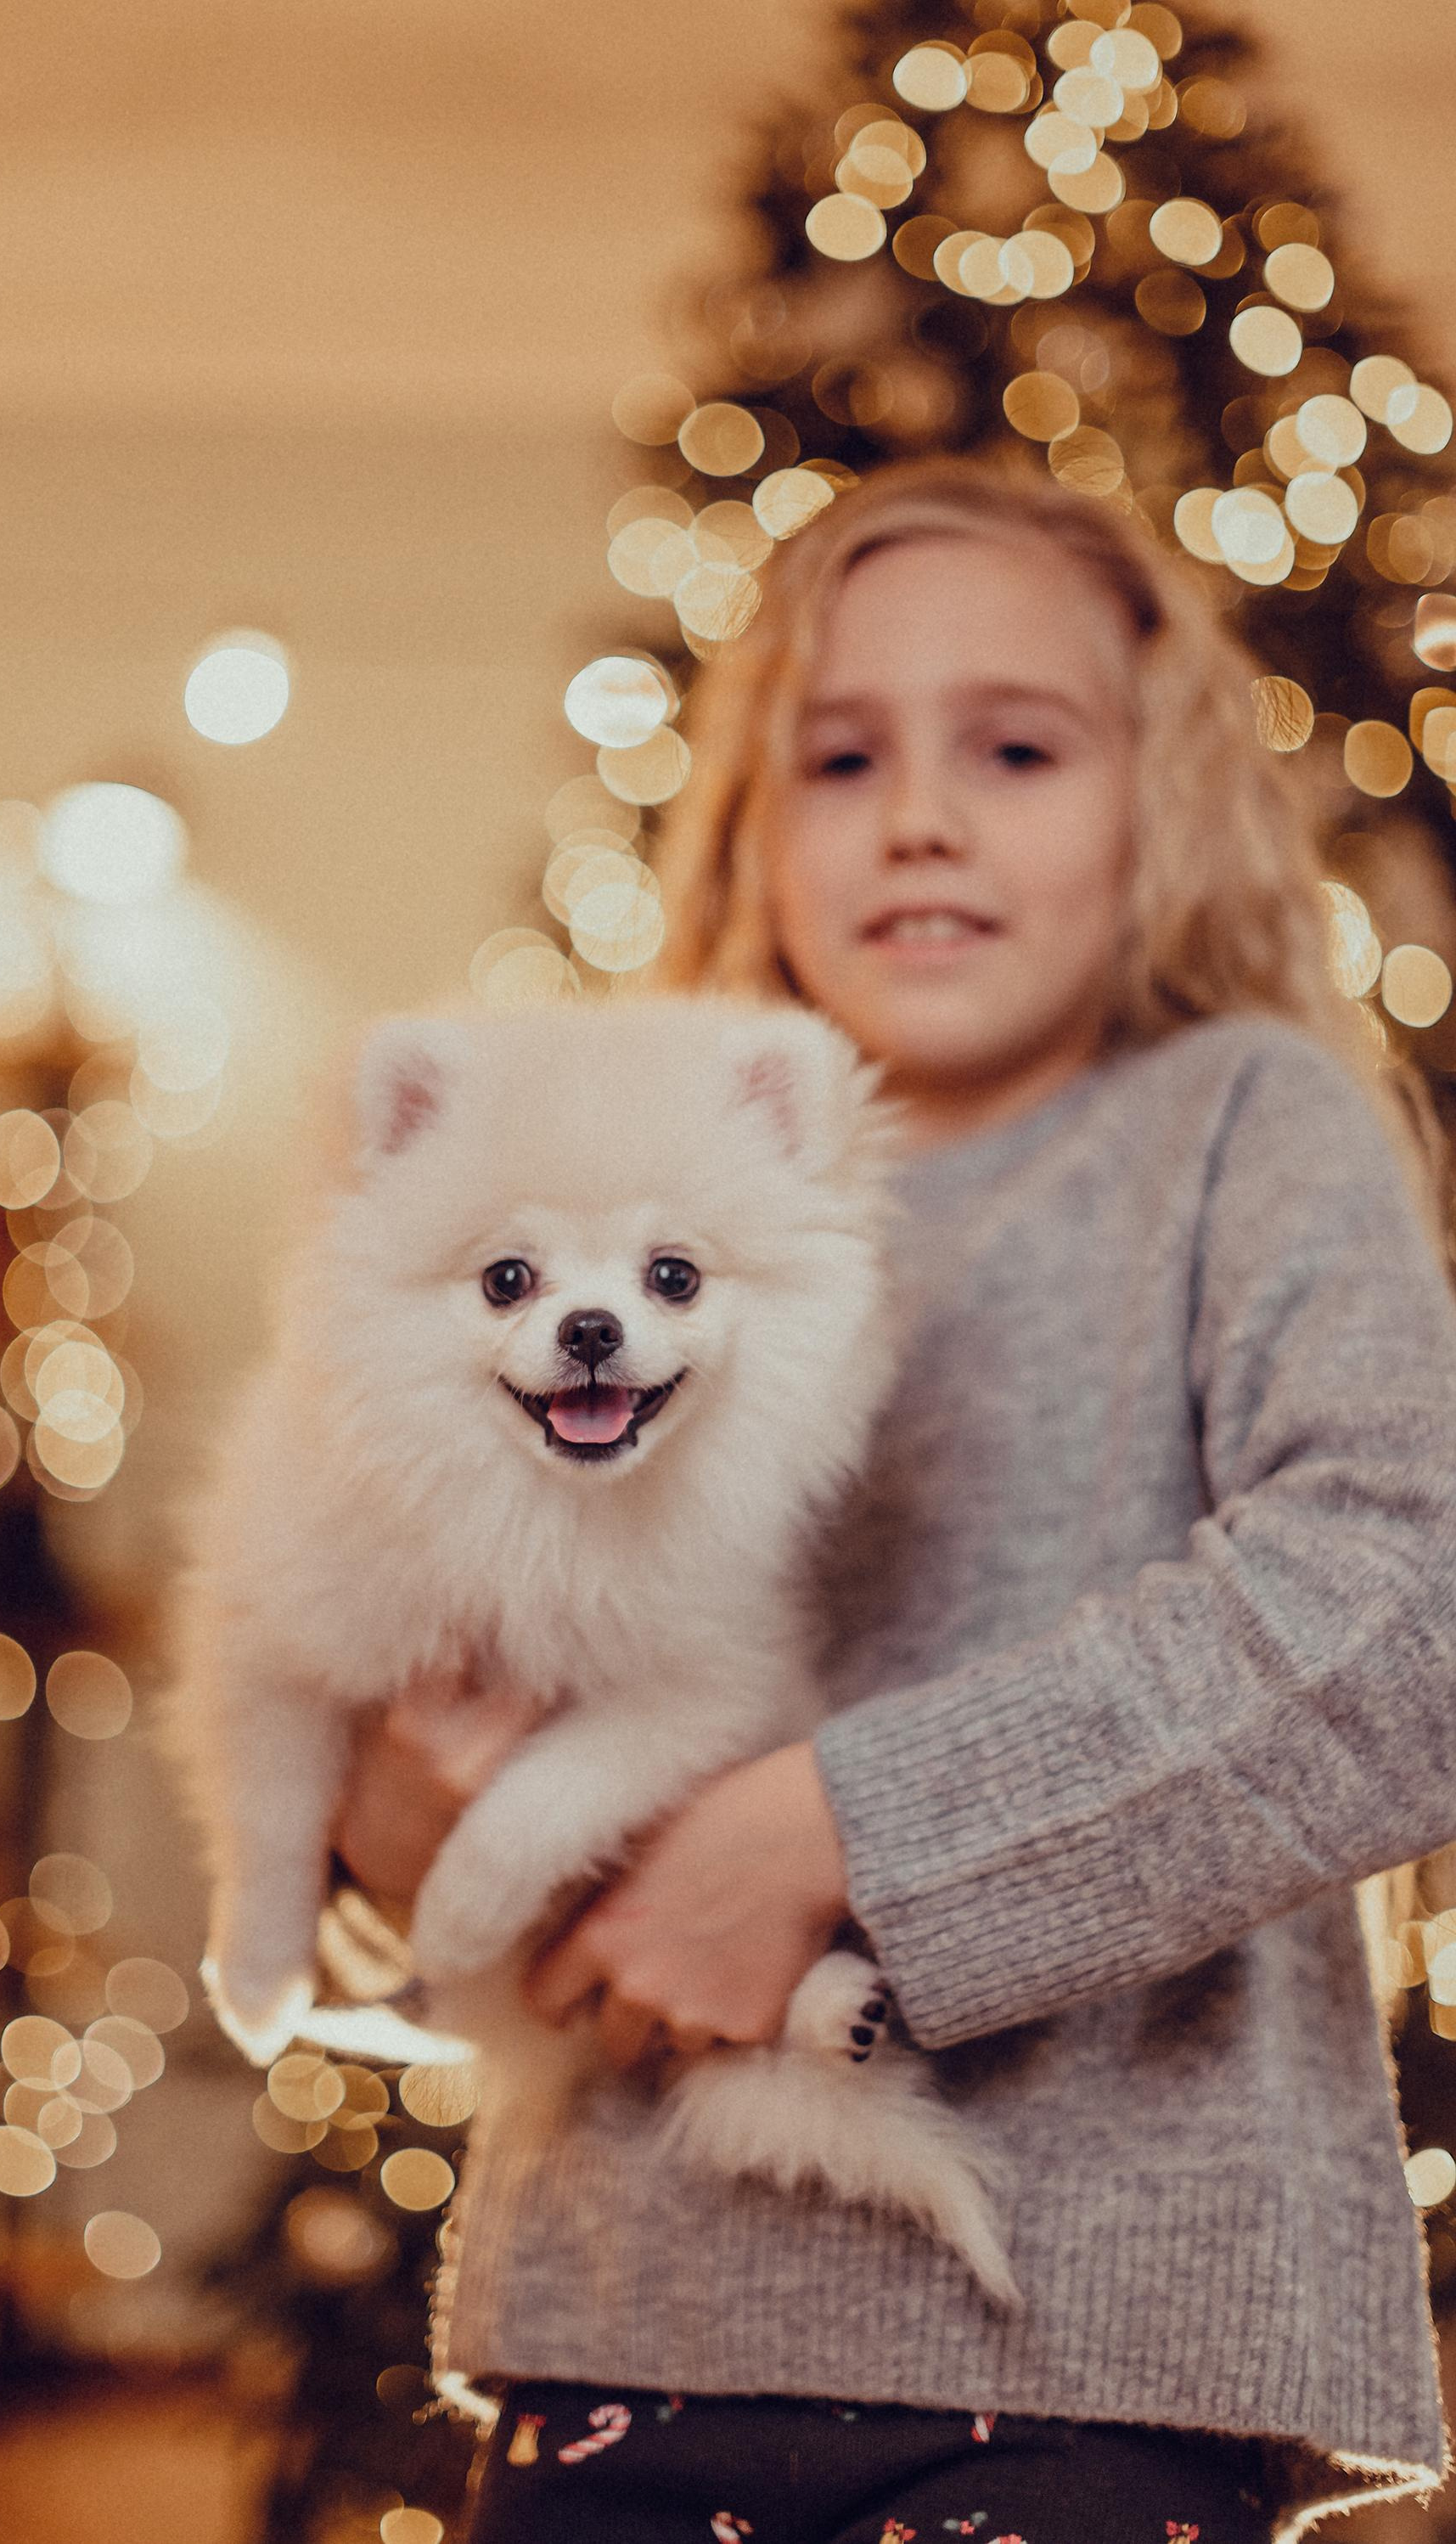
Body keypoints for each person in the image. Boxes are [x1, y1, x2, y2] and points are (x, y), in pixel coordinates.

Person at [329, 456, 1456, 2541]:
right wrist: (388, 1827)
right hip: (617, 2336)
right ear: (756, 825)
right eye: (842, 757)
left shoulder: (1239, 1125)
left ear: (1161, 801)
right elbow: (419, 1694)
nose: (921, 814)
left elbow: (1412, 1603)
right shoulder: (599, 1202)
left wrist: (833, 1835)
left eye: (1013, 747)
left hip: (1083, 2369)